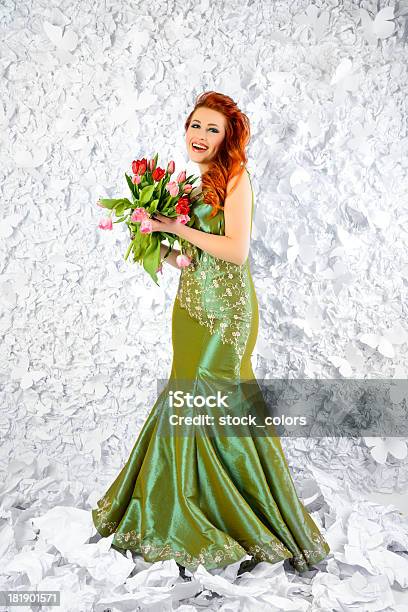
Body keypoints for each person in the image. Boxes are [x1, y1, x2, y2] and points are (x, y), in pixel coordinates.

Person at [91, 91, 330, 575]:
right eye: (195, 126)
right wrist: (156, 243)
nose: (200, 136)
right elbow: (186, 257)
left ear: (228, 137)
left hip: (229, 312)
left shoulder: (236, 179)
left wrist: (172, 226)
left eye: (212, 129)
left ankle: (250, 519)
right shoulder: (188, 185)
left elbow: (236, 251)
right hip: (189, 310)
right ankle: (179, 504)